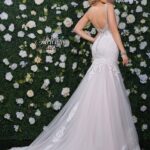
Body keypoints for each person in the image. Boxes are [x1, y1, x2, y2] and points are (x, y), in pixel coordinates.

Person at [9, 0, 141, 150]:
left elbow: (77, 29)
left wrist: (94, 39)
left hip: (98, 46)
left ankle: (96, 135)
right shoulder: (108, 7)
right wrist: (123, 51)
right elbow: (114, 30)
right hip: (109, 44)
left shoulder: (91, 10)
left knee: (97, 85)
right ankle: (106, 138)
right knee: (108, 84)